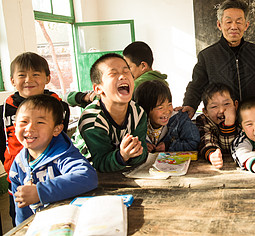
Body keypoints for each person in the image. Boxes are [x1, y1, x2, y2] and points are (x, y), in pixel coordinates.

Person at [0, 52, 70, 227]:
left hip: (52, 180)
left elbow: (59, 139)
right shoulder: (3, 112)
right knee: (23, 223)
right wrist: (11, 168)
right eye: (22, 75)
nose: (28, 80)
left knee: (58, 222)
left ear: (47, 78)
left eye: (35, 74)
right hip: (17, 181)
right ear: (12, 81)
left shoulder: (59, 107)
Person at [10, 95, 97, 225]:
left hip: (71, 223)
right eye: (24, 122)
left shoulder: (63, 155)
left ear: (56, 129)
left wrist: (40, 191)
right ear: (15, 126)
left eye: (40, 122)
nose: (30, 128)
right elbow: (21, 206)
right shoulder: (18, 165)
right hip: (42, 227)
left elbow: (87, 176)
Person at [180, 0, 255, 118]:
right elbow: (197, 85)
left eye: (239, 22)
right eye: (228, 22)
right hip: (222, 119)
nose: (234, 26)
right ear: (219, 24)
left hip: (252, 119)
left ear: (246, 25)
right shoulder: (207, 56)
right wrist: (189, 104)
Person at [74, 53, 147, 172]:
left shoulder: (138, 113)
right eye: (113, 73)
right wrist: (122, 156)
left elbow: (142, 152)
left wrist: (135, 153)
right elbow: (99, 163)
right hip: (86, 175)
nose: (123, 76)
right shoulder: (92, 121)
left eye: (126, 71)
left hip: (118, 172)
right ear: (98, 89)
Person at [66, 41, 168, 108]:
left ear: (143, 66)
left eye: (128, 68)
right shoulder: (162, 82)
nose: (123, 76)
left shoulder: (139, 85)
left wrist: (85, 97)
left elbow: (106, 99)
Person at [134, 80, 200, 153]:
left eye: (169, 105)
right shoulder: (136, 123)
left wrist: (169, 146)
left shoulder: (179, 119)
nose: (167, 111)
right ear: (145, 110)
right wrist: (141, 145)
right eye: (160, 108)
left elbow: (194, 143)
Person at [196, 83, 240, 168]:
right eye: (214, 106)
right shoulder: (203, 120)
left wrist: (229, 124)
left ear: (235, 105)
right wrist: (212, 154)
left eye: (226, 104)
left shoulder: (242, 117)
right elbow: (207, 141)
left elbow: (231, 148)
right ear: (205, 112)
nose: (221, 110)